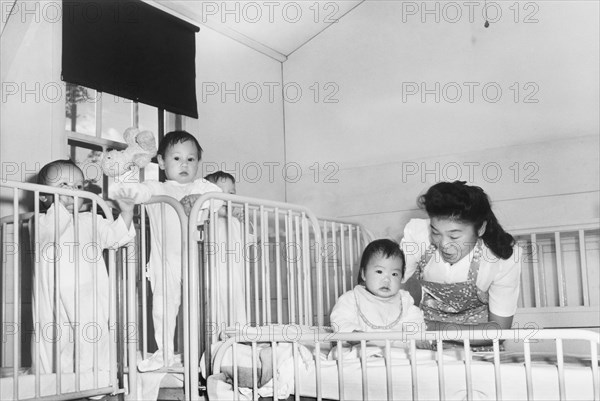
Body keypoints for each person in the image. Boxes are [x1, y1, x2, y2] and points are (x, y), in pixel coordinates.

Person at [110, 131, 223, 372]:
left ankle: (200, 355)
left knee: (199, 308)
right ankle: (165, 354)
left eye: (191, 159)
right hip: (164, 262)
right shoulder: (156, 187)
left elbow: (219, 198)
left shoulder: (202, 186)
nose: (184, 164)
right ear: (161, 162)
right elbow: (128, 191)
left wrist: (198, 200)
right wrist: (129, 166)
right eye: (176, 158)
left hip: (196, 260)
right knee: (163, 307)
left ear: (198, 163)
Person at [33, 159, 136, 374]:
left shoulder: (91, 220)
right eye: (63, 185)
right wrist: (60, 206)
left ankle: (94, 379)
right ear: (42, 195)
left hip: (90, 293)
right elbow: (51, 231)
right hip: (54, 296)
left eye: (79, 187)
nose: (73, 192)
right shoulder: (40, 220)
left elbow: (116, 237)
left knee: (92, 335)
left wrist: (126, 213)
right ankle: (52, 381)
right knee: (54, 339)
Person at [401, 181, 521, 341]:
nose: (444, 244)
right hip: (425, 343)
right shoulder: (418, 235)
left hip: (478, 346)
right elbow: (387, 288)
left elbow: (499, 331)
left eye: (454, 236)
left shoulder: (500, 258)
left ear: (480, 229)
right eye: (436, 233)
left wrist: (432, 329)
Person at [330, 239, 424, 334]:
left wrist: (417, 336)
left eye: (394, 274)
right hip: (363, 347)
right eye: (379, 271)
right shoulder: (352, 299)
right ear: (363, 274)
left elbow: (416, 321)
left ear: (402, 278)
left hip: (396, 347)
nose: (387, 280)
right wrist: (352, 332)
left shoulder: (404, 301)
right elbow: (340, 319)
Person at [203, 171, 248, 332]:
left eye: (231, 193)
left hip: (234, 275)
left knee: (236, 307)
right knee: (215, 309)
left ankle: (237, 341)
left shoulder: (235, 220)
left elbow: (249, 239)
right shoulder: (207, 217)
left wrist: (244, 222)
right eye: (220, 193)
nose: (227, 198)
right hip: (215, 274)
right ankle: (215, 342)